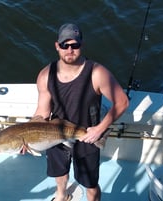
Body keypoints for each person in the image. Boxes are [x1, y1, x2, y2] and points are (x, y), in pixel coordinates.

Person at [33, 23, 129, 201]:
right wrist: (28, 136)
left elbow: (122, 102)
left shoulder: (97, 73)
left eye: (74, 45)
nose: (70, 49)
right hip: (55, 133)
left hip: (87, 136)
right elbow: (42, 112)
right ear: (57, 46)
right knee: (59, 172)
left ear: (81, 45)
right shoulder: (46, 75)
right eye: (64, 45)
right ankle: (61, 195)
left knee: (90, 184)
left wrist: (99, 129)